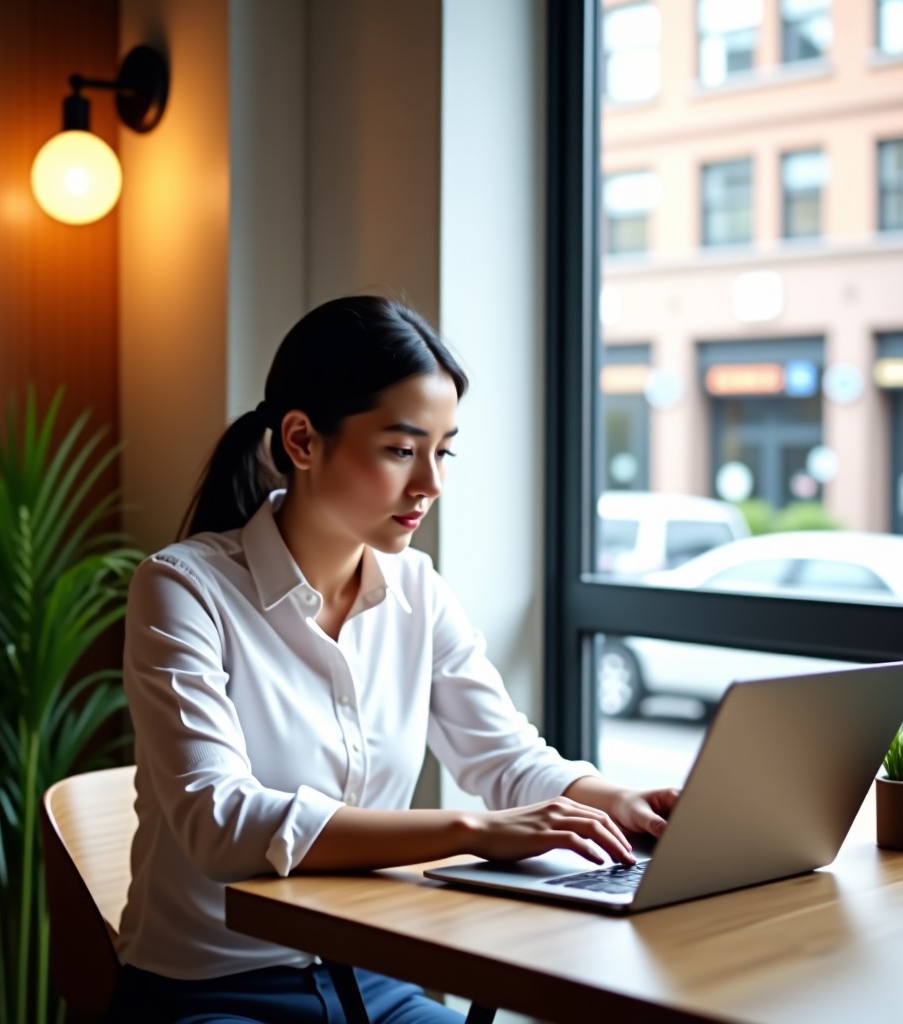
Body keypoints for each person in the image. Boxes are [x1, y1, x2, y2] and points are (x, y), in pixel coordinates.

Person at [111, 295, 679, 1024]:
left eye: (442, 451)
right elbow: (220, 823)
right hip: (210, 993)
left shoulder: (417, 587)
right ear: (301, 440)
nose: (431, 484)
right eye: (401, 450)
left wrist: (612, 799)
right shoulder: (183, 589)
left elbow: (505, 758)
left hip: (372, 983)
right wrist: (467, 831)